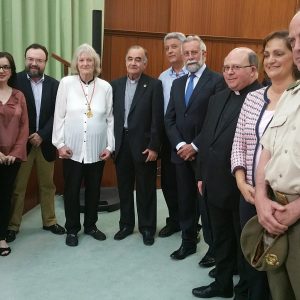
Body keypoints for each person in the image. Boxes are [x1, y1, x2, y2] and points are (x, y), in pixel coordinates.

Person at [231, 31, 300, 300]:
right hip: (250, 193)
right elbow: (241, 143)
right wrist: (243, 183)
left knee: (287, 272)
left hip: (285, 199)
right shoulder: (253, 98)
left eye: (279, 53)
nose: (270, 60)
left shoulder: (291, 95)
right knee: (256, 259)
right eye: (267, 54)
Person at [193, 47, 261, 298]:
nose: (229, 72)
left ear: (253, 71)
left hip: (241, 186)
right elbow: (206, 138)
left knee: (243, 242)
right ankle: (222, 284)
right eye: (226, 67)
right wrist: (200, 175)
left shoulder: (260, 99)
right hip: (212, 181)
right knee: (219, 237)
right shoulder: (218, 97)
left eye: (236, 67)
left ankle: (243, 289)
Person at [164, 35, 225, 261]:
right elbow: (169, 119)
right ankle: (188, 242)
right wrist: (181, 144)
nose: (190, 57)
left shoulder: (217, 81)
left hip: (204, 154)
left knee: (207, 204)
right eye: (186, 53)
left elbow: (216, 120)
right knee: (185, 200)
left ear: (203, 54)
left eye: (194, 52)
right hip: (180, 154)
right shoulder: (178, 83)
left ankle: (213, 249)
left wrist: (195, 146)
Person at [255, 12, 300, 300]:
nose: (297, 48)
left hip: (294, 213)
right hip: (274, 212)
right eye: (294, 40)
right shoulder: (290, 95)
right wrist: (260, 196)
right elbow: (266, 151)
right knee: (279, 292)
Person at [52, 44, 114, 247]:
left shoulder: (105, 87)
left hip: (97, 150)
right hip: (72, 150)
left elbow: (110, 119)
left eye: (89, 60)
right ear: (76, 64)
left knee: (94, 190)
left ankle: (91, 226)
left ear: (95, 64)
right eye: (81, 60)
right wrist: (59, 144)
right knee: (70, 191)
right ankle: (72, 229)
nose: (85, 63)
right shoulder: (66, 83)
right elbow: (59, 116)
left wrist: (110, 146)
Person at [6, 44, 65, 243]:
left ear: (45, 62)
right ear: (25, 59)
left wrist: (41, 134)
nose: (34, 63)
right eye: (31, 59)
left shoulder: (55, 85)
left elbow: (58, 114)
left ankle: (49, 221)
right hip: (21, 144)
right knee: (18, 187)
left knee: (48, 185)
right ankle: (12, 225)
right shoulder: (15, 81)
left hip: (45, 143)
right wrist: (29, 135)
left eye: (39, 60)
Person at [111, 45, 164, 246]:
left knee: (146, 189)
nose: (133, 63)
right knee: (124, 188)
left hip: (144, 146)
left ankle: (147, 227)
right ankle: (126, 225)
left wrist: (154, 147)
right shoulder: (115, 85)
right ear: (125, 61)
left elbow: (157, 120)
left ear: (145, 63)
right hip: (121, 144)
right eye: (130, 59)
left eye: (138, 59)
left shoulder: (154, 85)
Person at [158, 32, 187, 238]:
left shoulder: (193, 73)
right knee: (168, 182)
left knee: (187, 184)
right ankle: (174, 220)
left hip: (188, 139)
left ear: (184, 49)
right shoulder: (163, 77)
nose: (170, 51)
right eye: (167, 48)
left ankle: (190, 223)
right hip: (168, 137)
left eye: (174, 47)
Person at [0, 52, 29, 256]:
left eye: (6, 67)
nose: (1, 71)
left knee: (5, 197)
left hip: (12, 158)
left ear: (12, 70)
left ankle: (1, 237)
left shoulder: (19, 95)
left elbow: (24, 127)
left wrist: (16, 152)